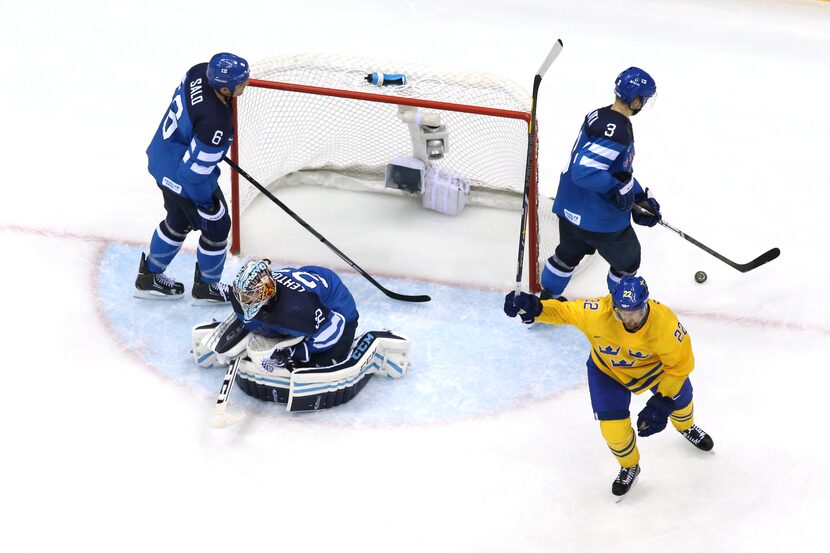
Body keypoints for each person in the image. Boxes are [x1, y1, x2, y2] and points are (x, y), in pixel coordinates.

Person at [503, 275, 713, 499]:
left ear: (646, 305)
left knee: (680, 401)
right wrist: (533, 306)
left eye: (635, 313)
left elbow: (680, 366)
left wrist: (662, 403)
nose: (629, 320)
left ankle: (686, 427)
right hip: (607, 372)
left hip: (653, 371)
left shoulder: (666, 325)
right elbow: (562, 312)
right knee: (613, 430)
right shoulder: (595, 312)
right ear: (612, 305)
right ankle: (630, 466)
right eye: (622, 313)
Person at [191, 259, 411, 411]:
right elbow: (247, 305)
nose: (244, 300)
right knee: (261, 324)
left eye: (250, 295)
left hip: (336, 307)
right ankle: (266, 332)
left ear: (265, 292)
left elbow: (334, 327)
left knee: (323, 359)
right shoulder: (247, 298)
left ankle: (373, 341)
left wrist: (298, 351)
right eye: (243, 295)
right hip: (299, 291)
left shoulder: (298, 310)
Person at [134, 52, 250, 303]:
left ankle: (149, 277)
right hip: (182, 175)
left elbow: (193, 113)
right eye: (241, 83)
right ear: (223, 87)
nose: (245, 85)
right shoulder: (215, 125)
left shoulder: (199, 71)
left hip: (163, 156)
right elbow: (193, 175)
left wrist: (203, 146)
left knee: (178, 219)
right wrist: (207, 205)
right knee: (217, 226)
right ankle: (207, 287)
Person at [541, 67, 662, 300]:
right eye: (644, 99)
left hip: (569, 210)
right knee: (628, 262)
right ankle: (619, 308)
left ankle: (547, 301)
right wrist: (620, 190)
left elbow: (616, 170)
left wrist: (637, 196)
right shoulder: (617, 130)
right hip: (600, 221)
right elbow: (584, 172)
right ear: (636, 100)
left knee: (566, 255)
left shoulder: (599, 115)